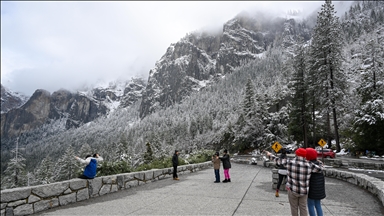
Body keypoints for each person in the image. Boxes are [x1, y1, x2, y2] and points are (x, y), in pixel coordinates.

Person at [265, 148, 323, 216]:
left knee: (294, 208)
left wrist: (269, 154)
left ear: (296, 154)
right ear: (305, 156)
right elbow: (320, 169)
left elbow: (277, 160)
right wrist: (320, 162)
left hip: (292, 190)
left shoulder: (289, 162)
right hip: (304, 192)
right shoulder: (309, 165)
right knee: (303, 208)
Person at [306, 148, 326, 216]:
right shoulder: (320, 164)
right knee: (318, 205)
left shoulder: (309, 165)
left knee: (310, 205)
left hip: (312, 189)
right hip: (319, 190)